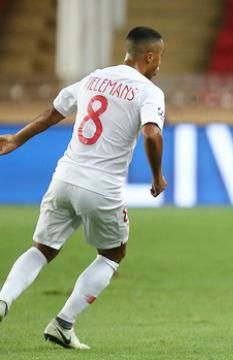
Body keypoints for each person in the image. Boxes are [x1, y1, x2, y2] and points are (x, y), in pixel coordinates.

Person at [0, 26, 167, 350]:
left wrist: (17, 138)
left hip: (64, 177)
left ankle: (3, 300)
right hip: (101, 187)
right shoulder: (149, 91)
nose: (160, 64)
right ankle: (63, 323)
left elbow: (53, 113)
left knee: (42, 248)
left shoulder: (94, 78)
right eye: (160, 57)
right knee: (112, 253)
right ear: (149, 56)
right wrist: (157, 176)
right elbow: (151, 134)